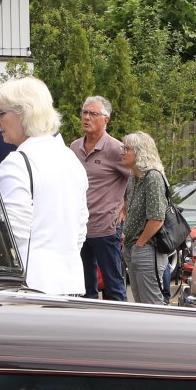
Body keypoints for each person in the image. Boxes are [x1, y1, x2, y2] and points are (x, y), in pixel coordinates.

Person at [0, 77, 88, 295]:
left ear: (23, 113)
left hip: (30, 286)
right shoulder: (70, 159)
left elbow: (11, 235)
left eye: (1, 113)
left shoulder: (17, 162)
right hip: (70, 282)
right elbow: (80, 229)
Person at [69, 95, 131, 302]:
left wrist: (125, 209)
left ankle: (118, 322)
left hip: (106, 228)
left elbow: (136, 179)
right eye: (84, 112)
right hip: (79, 228)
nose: (86, 117)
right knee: (83, 288)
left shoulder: (116, 149)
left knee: (113, 287)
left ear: (106, 119)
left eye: (93, 114)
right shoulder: (74, 147)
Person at [120, 132, 170, 306]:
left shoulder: (153, 177)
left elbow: (157, 218)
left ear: (140, 152)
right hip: (134, 247)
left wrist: (140, 243)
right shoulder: (135, 177)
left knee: (152, 305)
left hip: (148, 248)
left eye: (127, 148)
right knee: (141, 305)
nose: (122, 151)